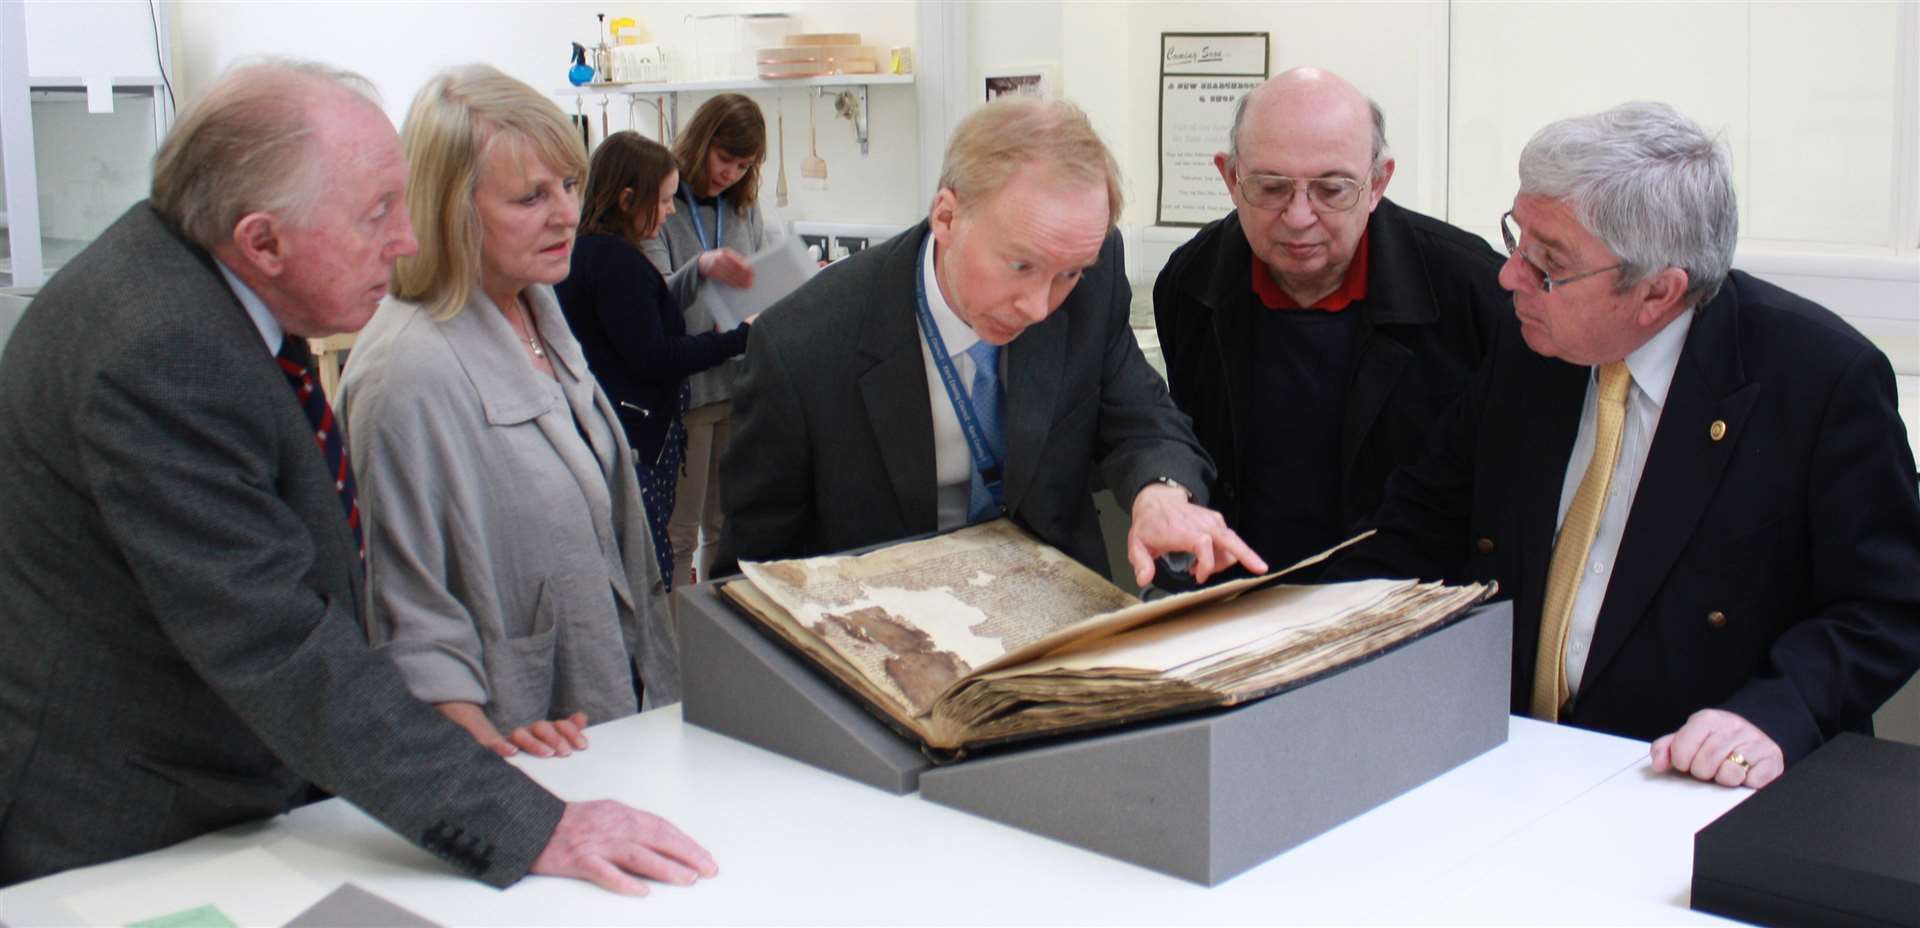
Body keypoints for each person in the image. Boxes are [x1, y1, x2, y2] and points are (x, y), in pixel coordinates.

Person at [0, 58, 715, 894]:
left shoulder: (204, 293)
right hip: (136, 827)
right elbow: (283, 645)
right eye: (377, 213)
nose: (407, 238)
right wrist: (527, 821)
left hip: (247, 789)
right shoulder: (162, 351)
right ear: (261, 239)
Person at [1326, 101, 1920, 788]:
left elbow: (1885, 603)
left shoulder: (1818, 381)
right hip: (1513, 759)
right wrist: (1285, 630)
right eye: (1518, 239)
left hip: (1691, 781)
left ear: (1659, 291)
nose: (1509, 276)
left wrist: (1775, 714)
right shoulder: (1529, 350)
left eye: (1547, 263)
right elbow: (1418, 529)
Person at [722, 97, 1266, 587]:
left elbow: (1143, 415)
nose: (1038, 306)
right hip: (884, 639)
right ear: (947, 216)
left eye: (1068, 273)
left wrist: (1161, 493)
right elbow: (753, 579)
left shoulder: (1091, 286)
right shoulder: (803, 346)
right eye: (1020, 265)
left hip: (1052, 621)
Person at [340, 66, 685, 766]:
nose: (566, 214)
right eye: (531, 196)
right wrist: (479, 754)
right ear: (449, 207)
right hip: (515, 760)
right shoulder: (407, 370)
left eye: (568, 184)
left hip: (609, 731)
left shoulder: (536, 307)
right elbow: (400, 618)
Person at [1154, 68, 1506, 573]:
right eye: (1271, 187)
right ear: (1230, 178)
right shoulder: (1191, 282)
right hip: (1243, 601)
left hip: (1410, 604)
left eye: (1332, 189)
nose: (1299, 216)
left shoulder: (1474, 292)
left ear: (1378, 182)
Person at [557, 131, 753, 588]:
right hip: (636, 433)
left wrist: (700, 268)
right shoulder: (615, 263)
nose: (669, 212)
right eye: (664, 201)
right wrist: (738, 338)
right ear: (628, 199)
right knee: (655, 554)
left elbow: (641, 320)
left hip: (622, 425)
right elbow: (653, 355)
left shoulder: (591, 253)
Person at [641, 93, 768, 587]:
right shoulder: (663, 202)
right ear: (701, 143)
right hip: (687, 392)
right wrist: (702, 267)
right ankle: (677, 658)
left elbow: (757, 276)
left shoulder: (744, 208)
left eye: (743, 165)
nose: (731, 174)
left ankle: (719, 646)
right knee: (678, 535)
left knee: (727, 528)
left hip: (739, 387)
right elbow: (652, 298)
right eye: (724, 159)